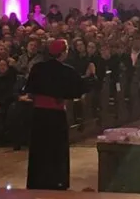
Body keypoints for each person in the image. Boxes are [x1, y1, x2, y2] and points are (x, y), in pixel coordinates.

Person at [25, 39, 95, 190]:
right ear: (63, 53)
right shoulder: (66, 71)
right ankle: (56, 182)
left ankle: (37, 182)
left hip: (38, 115)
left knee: (39, 150)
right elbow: (79, 88)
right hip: (56, 115)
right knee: (56, 151)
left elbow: (29, 90)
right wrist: (91, 75)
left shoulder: (37, 68)